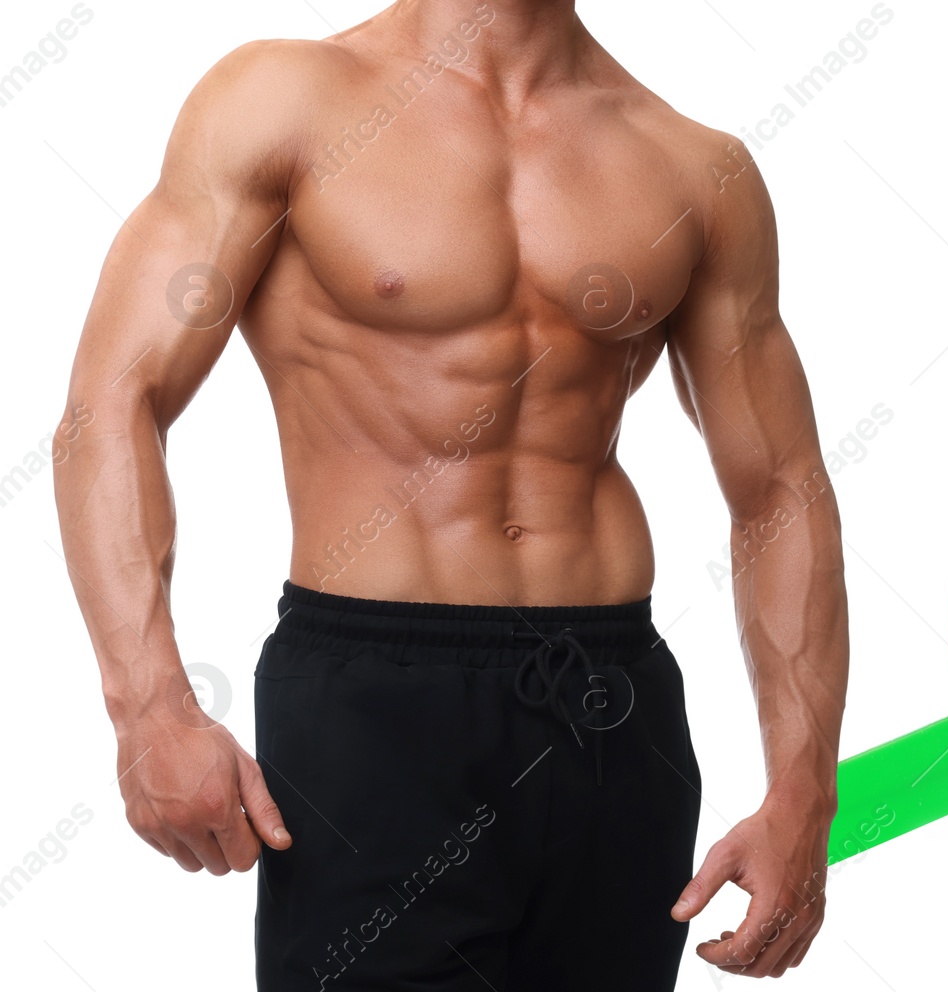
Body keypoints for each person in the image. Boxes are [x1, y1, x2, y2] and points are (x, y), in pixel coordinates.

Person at [51, 2, 848, 988]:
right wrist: (149, 709)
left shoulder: (691, 162)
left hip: (612, 706)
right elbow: (113, 401)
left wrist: (803, 792)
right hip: (376, 702)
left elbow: (780, 485)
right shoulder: (283, 100)